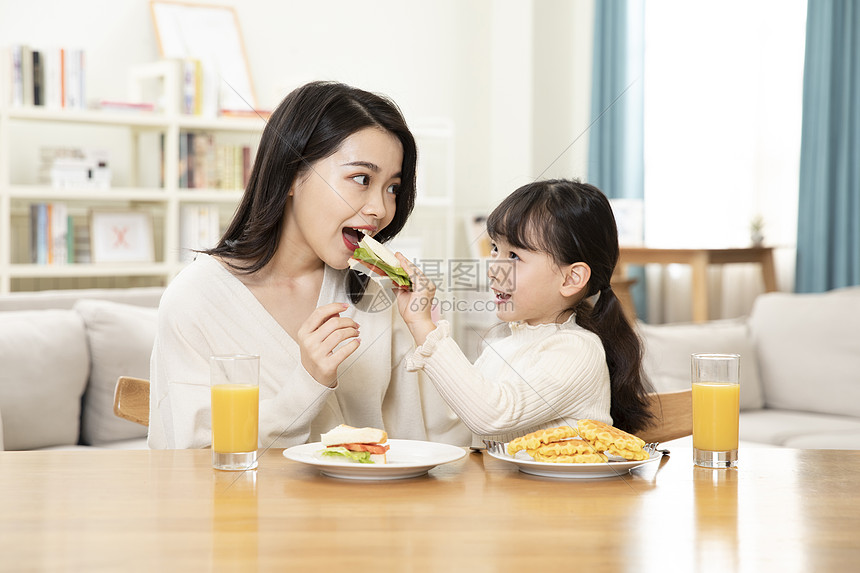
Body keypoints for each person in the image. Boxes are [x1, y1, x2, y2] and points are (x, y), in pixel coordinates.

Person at [148, 81, 469, 449]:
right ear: (290, 175)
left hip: (378, 507)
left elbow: (440, 442)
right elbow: (190, 458)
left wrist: (426, 331)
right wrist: (309, 382)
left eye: (392, 188)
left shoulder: (378, 299)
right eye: (361, 179)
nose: (381, 209)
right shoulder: (195, 301)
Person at [393, 179, 654, 442]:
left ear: (571, 279)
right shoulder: (503, 346)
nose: (494, 269)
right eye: (495, 249)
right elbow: (460, 422)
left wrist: (425, 327)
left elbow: (492, 415)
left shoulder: (577, 349)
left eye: (514, 256)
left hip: (556, 485)